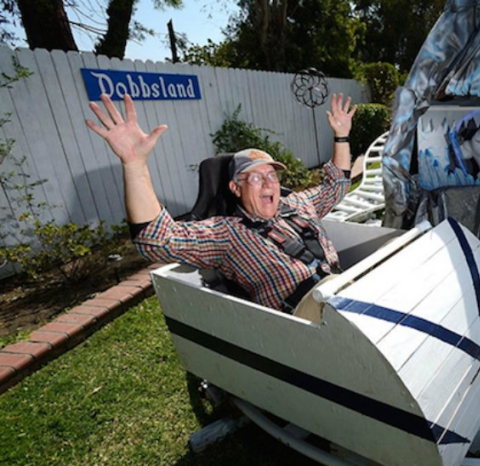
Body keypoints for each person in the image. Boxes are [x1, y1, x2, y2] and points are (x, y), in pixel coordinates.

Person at [86, 92, 358, 313]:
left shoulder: (298, 203)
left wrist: (342, 135)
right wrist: (134, 164)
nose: (268, 183)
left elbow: (336, 187)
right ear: (235, 188)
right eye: (255, 178)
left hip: (347, 287)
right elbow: (156, 239)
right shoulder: (226, 233)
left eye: (271, 175)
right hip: (311, 316)